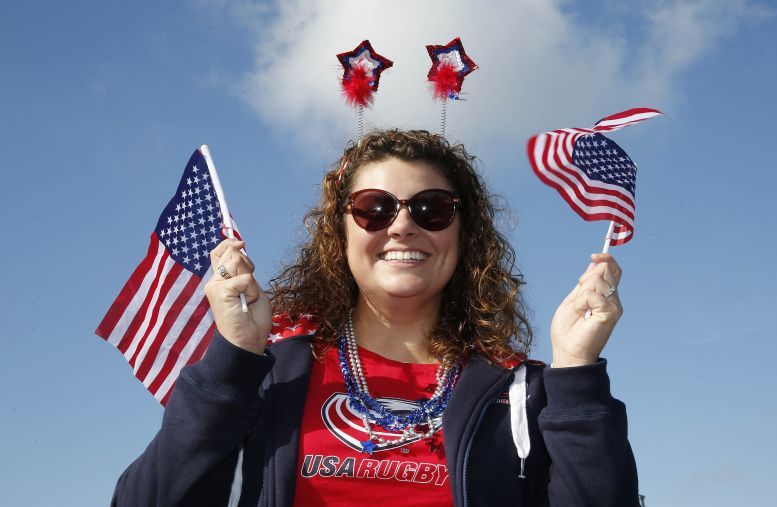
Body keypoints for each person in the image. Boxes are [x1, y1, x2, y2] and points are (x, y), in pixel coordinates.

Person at [112, 130, 639, 506]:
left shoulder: (524, 394)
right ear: (340, 233)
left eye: (431, 208)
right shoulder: (272, 372)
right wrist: (231, 361)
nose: (403, 226)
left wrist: (576, 372)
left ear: (464, 234)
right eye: (374, 208)